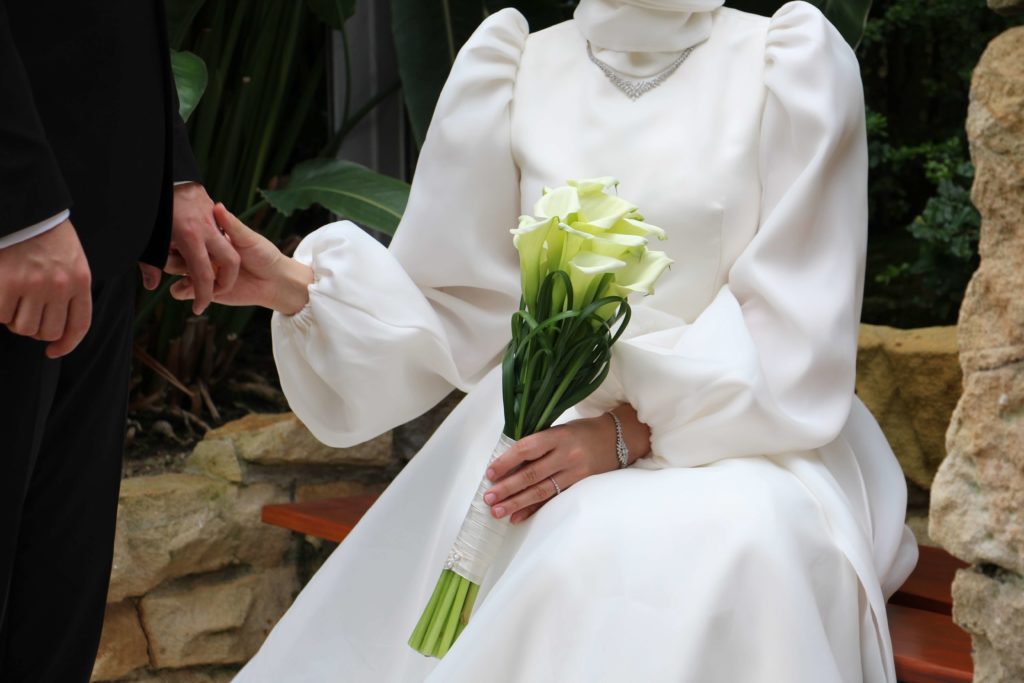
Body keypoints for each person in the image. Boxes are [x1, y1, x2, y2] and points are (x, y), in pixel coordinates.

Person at [173, 0, 919, 680]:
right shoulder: (517, 66)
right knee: (562, 532)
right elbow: (452, 310)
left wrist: (626, 432)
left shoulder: (789, 63)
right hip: (541, 429)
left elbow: (797, 319)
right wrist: (295, 288)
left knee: (712, 545)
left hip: (752, 432)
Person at [0, 2, 239, 680]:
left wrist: (170, 168)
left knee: (53, 610)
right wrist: (16, 207)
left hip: (90, 226)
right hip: (26, 235)